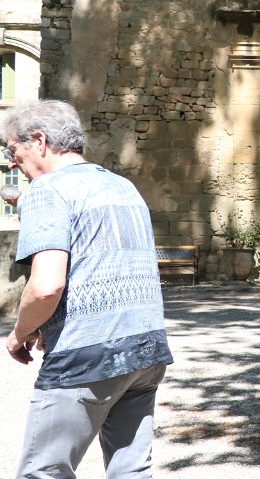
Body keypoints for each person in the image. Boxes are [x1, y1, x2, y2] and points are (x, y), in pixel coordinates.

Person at [3, 99, 174, 477]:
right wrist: (50, 323)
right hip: (147, 349)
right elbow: (100, 267)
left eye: (12, 151)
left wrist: (20, 332)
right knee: (131, 470)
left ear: (39, 141)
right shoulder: (123, 186)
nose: (12, 163)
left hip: (88, 355)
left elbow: (46, 286)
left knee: (43, 472)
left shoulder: (47, 189)